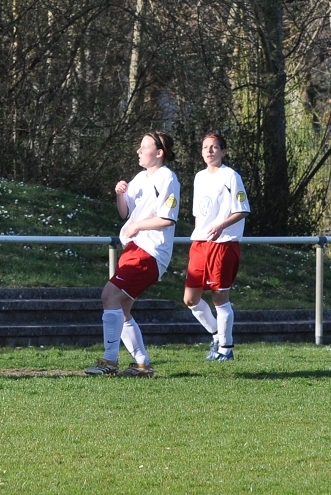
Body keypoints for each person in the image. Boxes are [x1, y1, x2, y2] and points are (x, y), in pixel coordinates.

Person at [84, 131, 180, 378]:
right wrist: (119, 194)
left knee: (109, 296)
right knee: (122, 309)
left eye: (144, 146)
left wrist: (137, 226)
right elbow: (124, 212)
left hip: (150, 252)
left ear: (159, 153)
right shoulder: (140, 177)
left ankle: (109, 361)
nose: (138, 150)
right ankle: (142, 364)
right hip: (134, 249)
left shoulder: (167, 178)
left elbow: (167, 218)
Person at [183, 133, 250, 361]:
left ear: (223, 151)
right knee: (190, 298)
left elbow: (242, 209)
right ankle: (216, 334)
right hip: (200, 244)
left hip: (223, 244)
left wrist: (222, 225)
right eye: (205, 147)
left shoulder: (231, 176)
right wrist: (198, 235)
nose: (209, 151)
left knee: (220, 298)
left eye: (214, 147)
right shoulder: (199, 177)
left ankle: (226, 348)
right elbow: (198, 213)